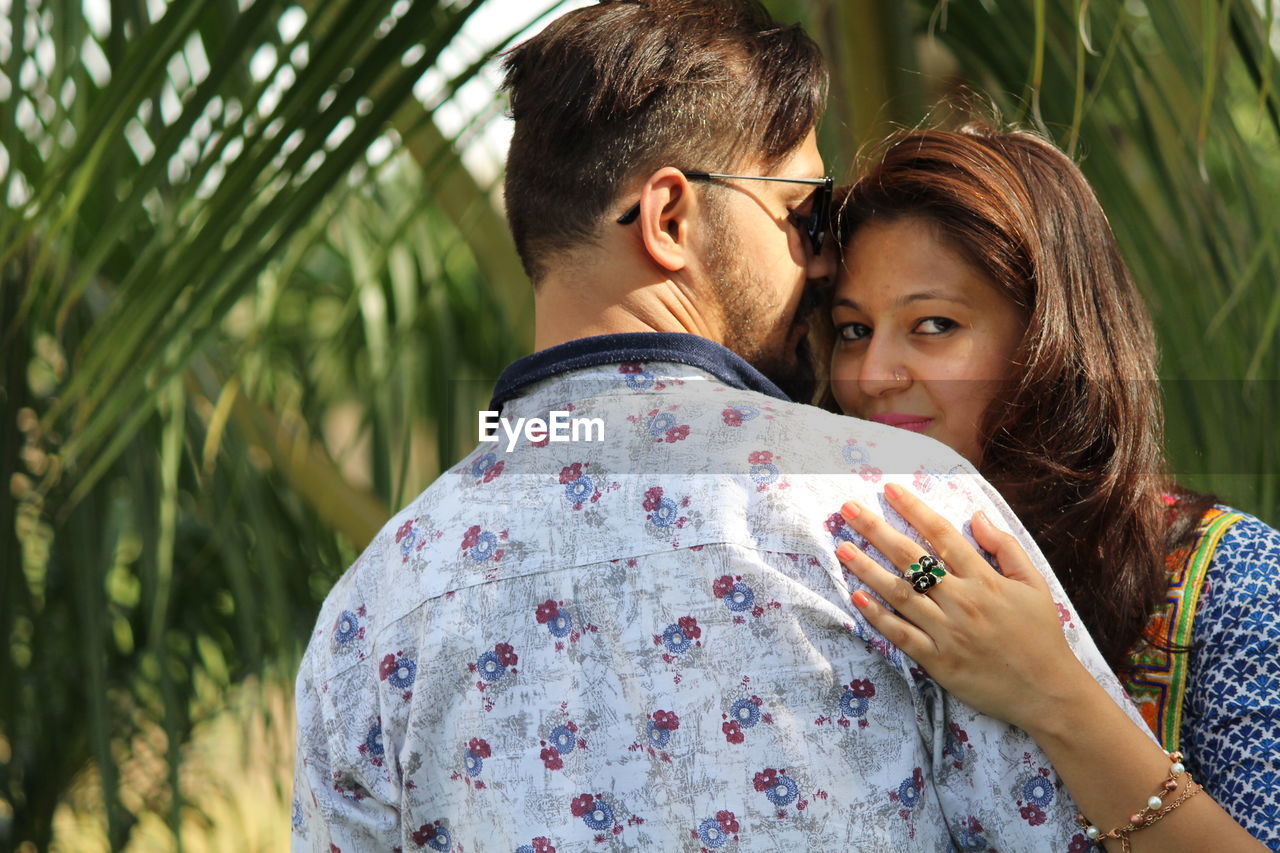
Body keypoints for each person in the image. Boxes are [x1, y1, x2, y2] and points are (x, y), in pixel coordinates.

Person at [291, 4, 1148, 849]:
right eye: (807, 215)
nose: (822, 259)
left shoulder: (373, 608)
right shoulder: (901, 511)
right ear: (670, 219)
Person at [827, 123, 1278, 851]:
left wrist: (1052, 689)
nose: (873, 374)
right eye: (852, 330)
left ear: (1048, 343)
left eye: (933, 324)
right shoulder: (842, 562)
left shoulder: (1228, 581)